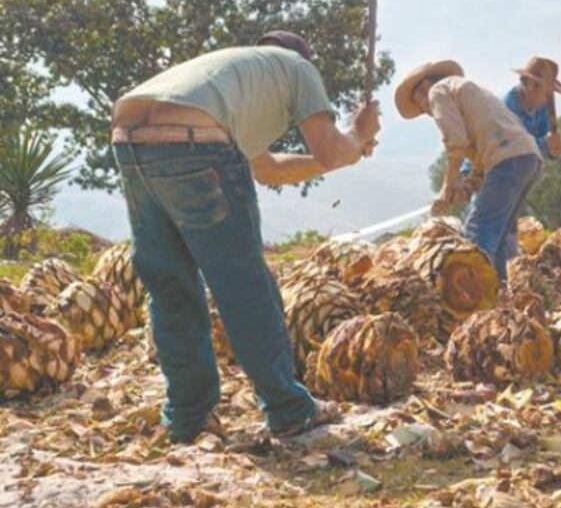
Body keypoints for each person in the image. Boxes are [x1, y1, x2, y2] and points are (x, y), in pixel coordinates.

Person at [110, 30, 380, 443]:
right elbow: (329, 150)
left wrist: (345, 152)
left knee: (170, 287)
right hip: (196, 144)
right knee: (245, 284)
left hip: (130, 143)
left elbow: (269, 168)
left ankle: (187, 417)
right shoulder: (298, 67)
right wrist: (358, 135)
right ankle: (288, 408)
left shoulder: (230, 75)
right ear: (302, 57)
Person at [394, 60, 541, 283]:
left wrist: (446, 189)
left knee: (478, 229)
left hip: (507, 159)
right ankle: (499, 296)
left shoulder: (438, 91)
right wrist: (469, 183)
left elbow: (456, 144)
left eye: (423, 106)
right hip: (527, 157)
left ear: (425, 87)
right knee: (498, 237)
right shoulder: (465, 90)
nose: (428, 112)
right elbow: (481, 150)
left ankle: (477, 301)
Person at [460, 56, 561, 256]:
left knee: (506, 226)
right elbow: (512, 149)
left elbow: (537, 147)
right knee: (484, 225)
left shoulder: (542, 109)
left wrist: (553, 149)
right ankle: (478, 270)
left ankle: (499, 277)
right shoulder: (508, 107)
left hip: (512, 169)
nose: (548, 97)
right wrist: (544, 145)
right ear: (531, 86)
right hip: (483, 166)